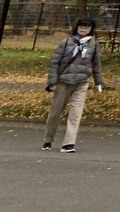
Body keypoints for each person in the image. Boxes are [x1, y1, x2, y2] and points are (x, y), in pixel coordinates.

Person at [44, 18, 104, 152]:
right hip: (63, 82)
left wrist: (98, 82)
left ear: (91, 29)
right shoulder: (66, 43)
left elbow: (96, 64)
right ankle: (48, 140)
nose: (83, 29)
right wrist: (52, 82)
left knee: (76, 113)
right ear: (76, 27)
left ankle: (68, 144)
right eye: (81, 26)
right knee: (55, 112)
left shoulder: (93, 44)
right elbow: (54, 63)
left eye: (87, 27)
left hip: (82, 82)